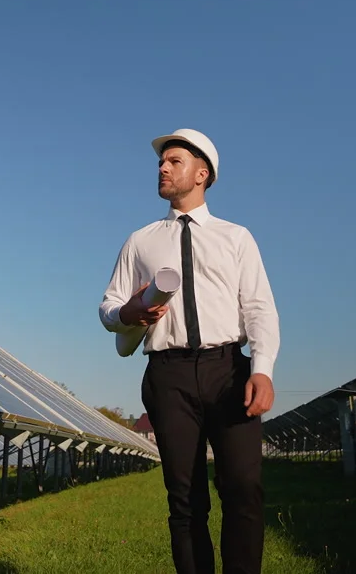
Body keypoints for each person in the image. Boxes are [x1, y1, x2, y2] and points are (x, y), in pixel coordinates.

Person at [99, 128, 280, 574]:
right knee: (185, 499)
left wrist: (263, 368)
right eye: (161, 162)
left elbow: (258, 307)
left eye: (174, 161)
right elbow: (106, 308)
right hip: (168, 375)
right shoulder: (140, 240)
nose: (162, 167)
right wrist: (129, 312)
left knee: (243, 487)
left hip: (228, 371)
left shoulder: (236, 237)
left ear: (202, 174)